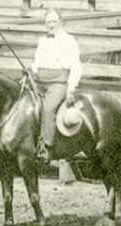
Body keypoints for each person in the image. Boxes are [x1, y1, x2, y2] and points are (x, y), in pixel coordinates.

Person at [31, 8, 82, 164]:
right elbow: (37, 61)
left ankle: (46, 147)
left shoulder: (69, 41)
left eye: (54, 21)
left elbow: (76, 67)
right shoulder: (42, 40)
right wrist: (31, 70)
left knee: (48, 108)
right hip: (39, 80)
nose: (51, 25)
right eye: (48, 22)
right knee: (24, 102)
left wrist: (71, 88)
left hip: (58, 82)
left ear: (60, 22)